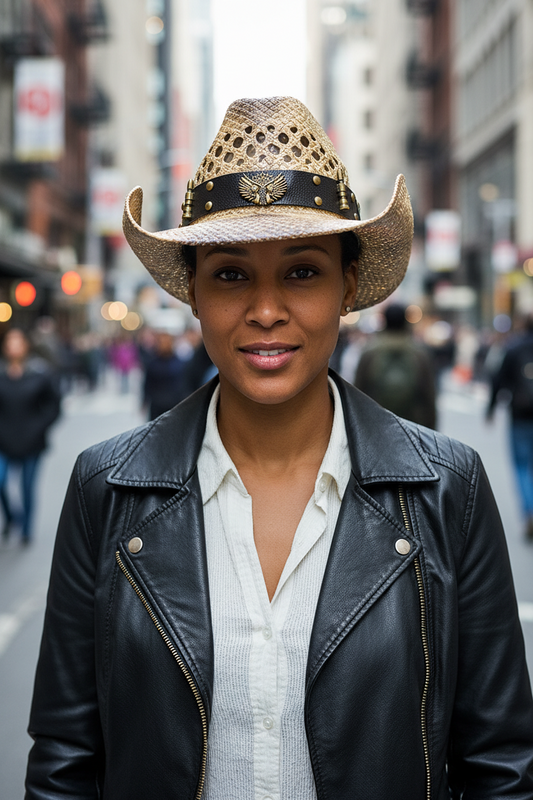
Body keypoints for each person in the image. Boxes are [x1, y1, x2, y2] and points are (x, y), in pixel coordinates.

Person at [25, 97, 533, 799]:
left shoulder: (449, 488)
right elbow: (65, 758)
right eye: (231, 274)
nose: (266, 310)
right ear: (194, 295)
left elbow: (499, 763)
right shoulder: (105, 486)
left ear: (348, 285)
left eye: (301, 271)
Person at [0, 328, 61, 544]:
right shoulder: (2, 373)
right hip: (4, 441)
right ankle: (11, 517)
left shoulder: (40, 373)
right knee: (1, 481)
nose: (14, 346)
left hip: (32, 440)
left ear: (26, 345)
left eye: (18, 342)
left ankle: (26, 529)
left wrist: (40, 427)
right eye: (10, 342)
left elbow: (54, 405)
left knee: (27, 487)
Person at [487, 314, 533, 539]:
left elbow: (498, 379)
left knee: (522, 465)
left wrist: (491, 408)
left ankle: (529, 509)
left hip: (520, 413)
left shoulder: (513, 348)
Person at [355, 302, 437, 428]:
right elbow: (429, 396)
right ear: (405, 321)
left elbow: (357, 392)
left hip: (376, 425)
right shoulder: (419, 354)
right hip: (413, 425)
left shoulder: (370, 352)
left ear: (385, 321)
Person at [142, 329, 187, 419]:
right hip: (157, 405)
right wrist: (144, 401)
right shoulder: (152, 363)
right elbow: (147, 384)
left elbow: (183, 385)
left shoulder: (179, 363)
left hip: (174, 405)